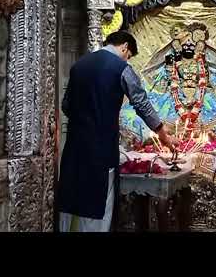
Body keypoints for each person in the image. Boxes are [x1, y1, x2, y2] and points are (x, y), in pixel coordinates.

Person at [57, 31, 178, 232]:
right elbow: (142, 104)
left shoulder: (79, 65)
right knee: (98, 204)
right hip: (101, 148)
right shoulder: (121, 68)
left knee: (71, 199)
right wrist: (163, 135)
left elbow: (66, 106)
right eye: (128, 55)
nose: (127, 59)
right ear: (124, 47)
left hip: (74, 147)